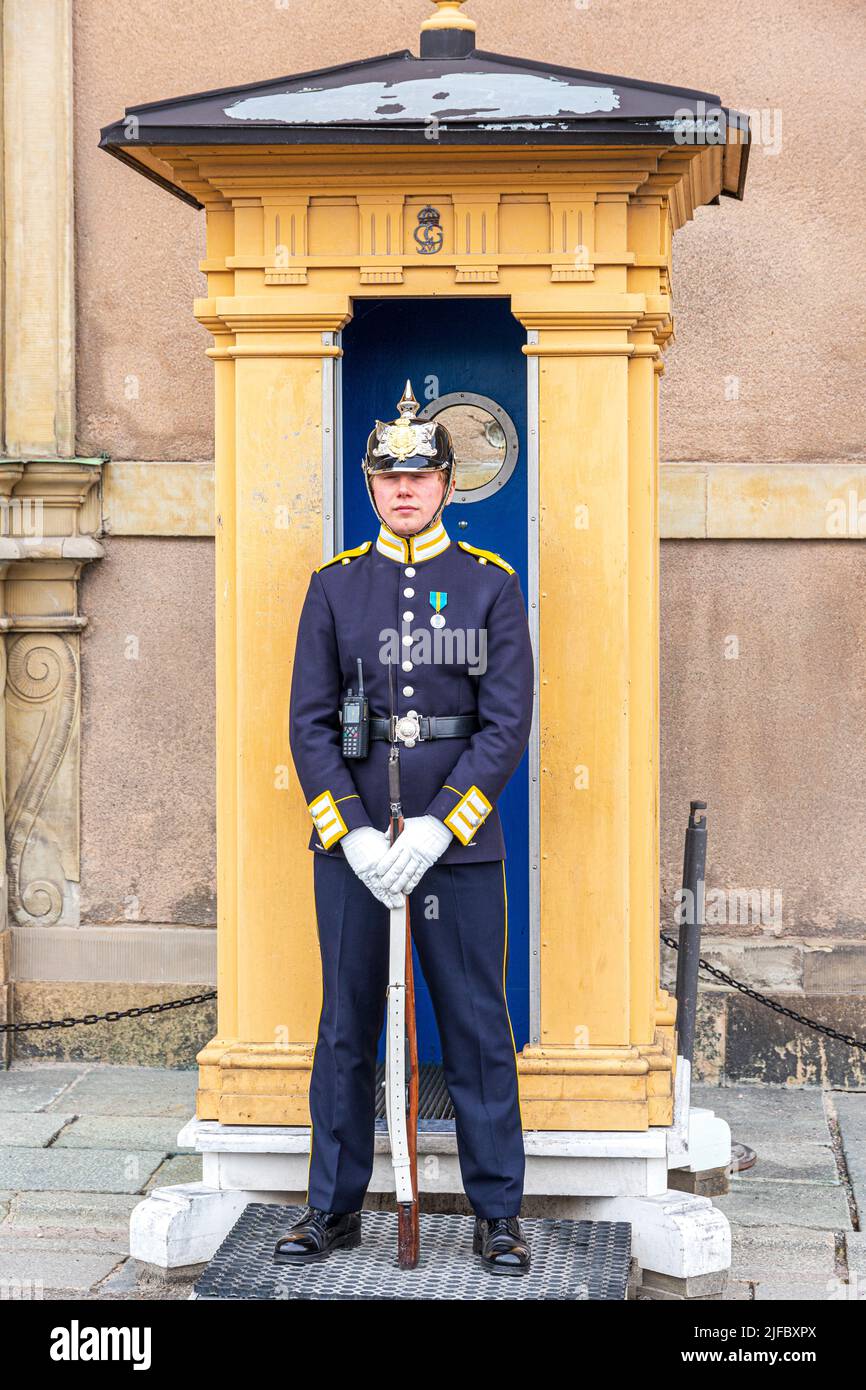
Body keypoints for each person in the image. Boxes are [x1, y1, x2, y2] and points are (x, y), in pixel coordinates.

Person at [274, 381, 534, 1275]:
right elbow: (309, 722)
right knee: (345, 1029)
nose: (404, 491)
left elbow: (503, 727)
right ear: (370, 483)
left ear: (448, 485)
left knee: (475, 1028)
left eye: (420, 476)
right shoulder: (336, 586)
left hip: (454, 852)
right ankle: (331, 1209)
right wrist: (346, 833)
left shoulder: (489, 587)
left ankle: (499, 1213)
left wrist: (440, 829)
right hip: (355, 852)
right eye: (388, 477)